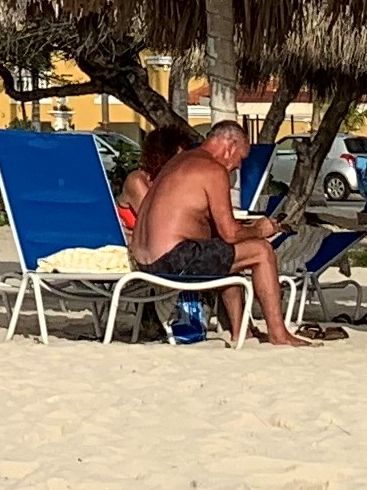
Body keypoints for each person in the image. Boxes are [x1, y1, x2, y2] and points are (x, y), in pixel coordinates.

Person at [137, 121, 319, 346]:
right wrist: (259, 230)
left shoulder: (179, 161)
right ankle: (278, 334)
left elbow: (220, 239)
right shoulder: (212, 169)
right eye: (240, 159)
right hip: (172, 260)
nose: (237, 167)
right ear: (230, 146)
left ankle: (241, 331)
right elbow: (231, 233)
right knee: (261, 251)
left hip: (145, 260)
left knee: (224, 254)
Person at [116, 121, 191, 233]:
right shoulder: (137, 181)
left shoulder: (176, 184)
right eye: (178, 159)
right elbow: (156, 224)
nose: (184, 163)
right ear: (162, 158)